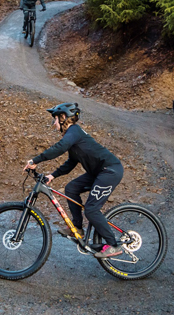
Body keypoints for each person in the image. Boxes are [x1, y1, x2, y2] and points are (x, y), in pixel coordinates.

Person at [24, 103, 124, 259]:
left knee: (91, 209)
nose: (54, 124)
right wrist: (53, 175)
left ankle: (114, 245)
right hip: (98, 172)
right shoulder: (73, 137)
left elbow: (60, 147)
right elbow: (71, 162)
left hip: (110, 171)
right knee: (71, 188)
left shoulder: (74, 131)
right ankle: (77, 228)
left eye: (55, 120)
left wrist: (36, 160)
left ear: (63, 117)